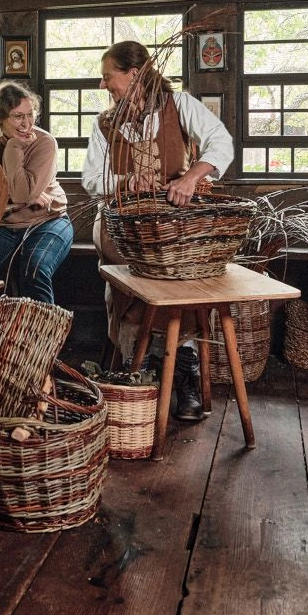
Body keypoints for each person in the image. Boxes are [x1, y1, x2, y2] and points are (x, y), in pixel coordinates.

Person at [80, 40, 233, 421]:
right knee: (132, 285)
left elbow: (222, 142)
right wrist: (125, 181)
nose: (103, 86)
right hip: (121, 225)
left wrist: (192, 179)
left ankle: (183, 374)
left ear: (133, 75)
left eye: (107, 77)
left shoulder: (178, 105)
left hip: (173, 226)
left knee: (174, 288)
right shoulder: (104, 123)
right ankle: (137, 372)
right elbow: (89, 178)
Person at [0, 81, 72, 305]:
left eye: (30, 115)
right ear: (0, 118)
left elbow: (21, 194)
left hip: (48, 220)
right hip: (1, 225)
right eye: (17, 116)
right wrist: (27, 196)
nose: (26, 123)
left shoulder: (45, 143)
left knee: (34, 267)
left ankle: (43, 337)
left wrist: (13, 148)